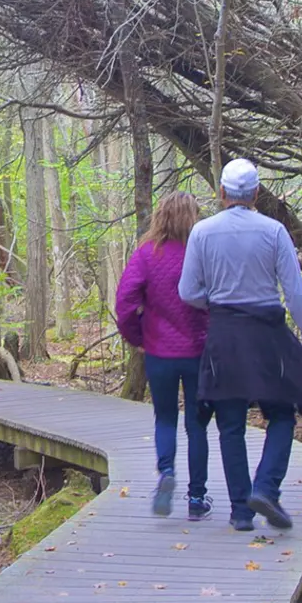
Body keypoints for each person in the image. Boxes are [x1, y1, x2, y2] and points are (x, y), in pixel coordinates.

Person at [178, 158, 302, 531]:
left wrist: (217, 302)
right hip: (268, 335)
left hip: (224, 334)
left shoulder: (202, 232)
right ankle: (266, 487)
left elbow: (188, 291)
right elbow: (295, 292)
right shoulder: (274, 231)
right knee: (282, 414)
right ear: (257, 193)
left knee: (230, 424)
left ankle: (242, 511)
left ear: (221, 193)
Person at [114, 192, 211, 520]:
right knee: (197, 424)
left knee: (165, 417)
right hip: (199, 351)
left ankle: (166, 473)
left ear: (161, 217)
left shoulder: (146, 254)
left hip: (159, 352)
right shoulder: (204, 253)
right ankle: (197, 499)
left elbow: (125, 301)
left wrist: (137, 337)